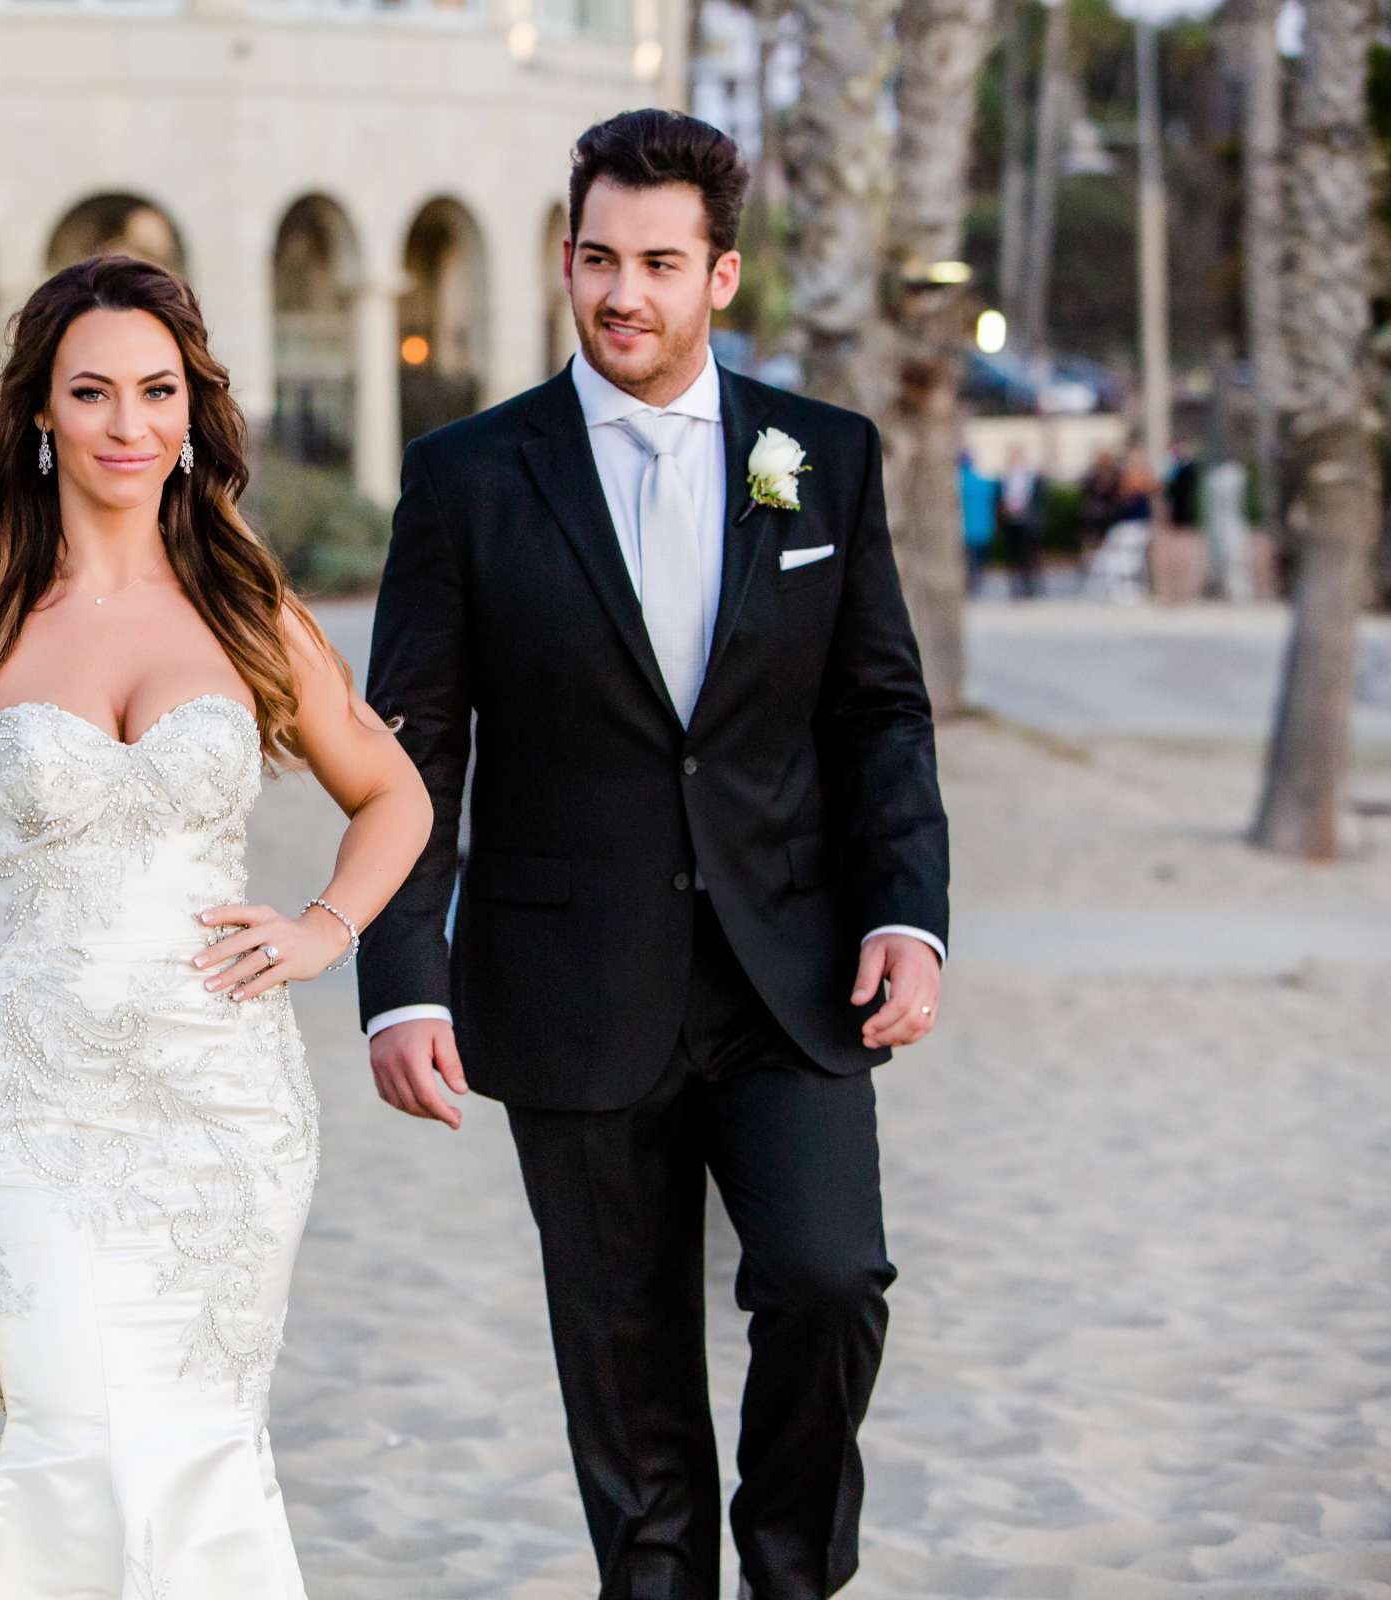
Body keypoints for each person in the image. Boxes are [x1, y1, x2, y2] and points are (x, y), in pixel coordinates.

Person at [362, 109, 949, 1600]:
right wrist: (402, 981)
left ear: (722, 277)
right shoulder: (469, 478)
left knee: (831, 1282)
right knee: (627, 1373)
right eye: (601, 259)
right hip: (571, 979)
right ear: (567, 260)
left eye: (661, 264)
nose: (625, 293)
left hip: (789, 971)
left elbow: (878, 709)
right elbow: (414, 751)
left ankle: (792, 1575)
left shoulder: (822, 458)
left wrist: (908, 915)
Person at [0, 254, 430, 1596]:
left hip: (222, 1114)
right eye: (93, 392)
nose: (129, 424)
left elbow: (394, 793)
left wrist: (325, 927)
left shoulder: (247, 615)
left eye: (158, 392)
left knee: (196, 1448)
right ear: (39, 415)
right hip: (27, 1109)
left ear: (193, 414)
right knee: (73, 1439)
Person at [998, 444, 1046, 598]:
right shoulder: (1005, 478)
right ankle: (1016, 587)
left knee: (1029, 555)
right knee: (1013, 555)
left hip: (1028, 521)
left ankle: (1031, 586)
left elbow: (1039, 500)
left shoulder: (1032, 477)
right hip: (1011, 521)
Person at [958, 448, 999, 595]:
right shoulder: (983, 483)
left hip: (964, 528)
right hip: (982, 528)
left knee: (967, 559)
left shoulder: (957, 482)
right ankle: (977, 579)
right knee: (978, 558)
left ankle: (971, 581)